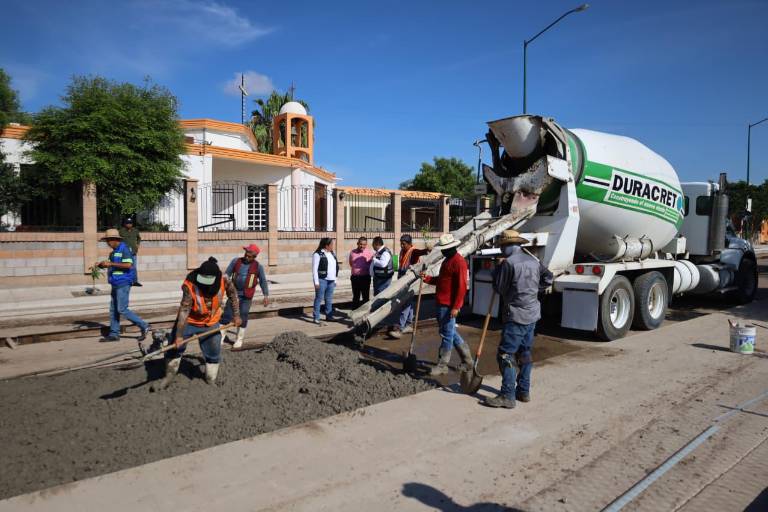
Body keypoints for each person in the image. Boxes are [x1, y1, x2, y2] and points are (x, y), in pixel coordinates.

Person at [484, 230, 553, 409]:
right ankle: (523, 391)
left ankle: (507, 395)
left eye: (502, 246)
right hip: (532, 314)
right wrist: (534, 290)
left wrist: (496, 270)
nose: (501, 250)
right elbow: (549, 278)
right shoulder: (533, 261)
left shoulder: (509, 264)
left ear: (509, 246)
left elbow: (499, 289)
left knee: (505, 354)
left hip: (516, 315)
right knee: (525, 353)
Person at [156, 257, 241, 388]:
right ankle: (169, 375)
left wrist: (236, 315)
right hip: (189, 321)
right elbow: (184, 310)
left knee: (214, 350)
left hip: (210, 322)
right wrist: (179, 335)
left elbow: (233, 296)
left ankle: (210, 378)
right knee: (174, 347)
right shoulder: (190, 285)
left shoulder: (224, 280)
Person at [420, 233, 473, 376]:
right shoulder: (447, 260)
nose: (442, 251)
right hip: (442, 302)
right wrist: (428, 279)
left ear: (451, 248)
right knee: (450, 333)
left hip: (448, 305)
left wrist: (456, 306)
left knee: (446, 334)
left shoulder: (459, 262)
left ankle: (442, 365)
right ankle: (467, 360)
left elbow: (462, 287)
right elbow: (442, 280)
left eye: (444, 249)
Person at [97, 229, 150, 343]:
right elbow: (113, 266)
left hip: (123, 283)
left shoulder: (124, 249)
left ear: (114, 239)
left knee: (121, 309)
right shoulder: (113, 252)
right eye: (106, 241)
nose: (107, 243)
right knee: (113, 310)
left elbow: (128, 265)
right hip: (115, 283)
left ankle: (144, 325)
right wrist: (102, 265)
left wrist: (110, 263)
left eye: (108, 240)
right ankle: (114, 334)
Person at [222, 244, 269, 349]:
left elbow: (263, 281)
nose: (247, 257)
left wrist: (265, 295)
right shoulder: (236, 261)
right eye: (246, 254)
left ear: (254, 257)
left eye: (249, 256)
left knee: (243, 315)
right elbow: (226, 274)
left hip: (246, 295)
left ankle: (239, 339)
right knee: (227, 314)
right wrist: (225, 284)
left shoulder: (258, 267)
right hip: (233, 293)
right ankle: (221, 337)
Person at [389, 234, 430, 338]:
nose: (402, 246)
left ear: (409, 243)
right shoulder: (403, 251)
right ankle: (408, 323)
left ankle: (401, 327)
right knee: (409, 303)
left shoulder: (413, 251)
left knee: (405, 303)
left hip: (410, 281)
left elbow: (420, 252)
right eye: (401, 243)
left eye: (404, 244)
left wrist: (427, 250)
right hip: (403, 280)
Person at [312, 238, 338, 325]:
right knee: (319, 298)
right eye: (331, 245)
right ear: (326, 245)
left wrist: (335, 280)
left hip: (331, 280)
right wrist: (316, 282)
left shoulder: (332, 254)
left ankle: (329, 316)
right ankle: (316, 317)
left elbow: (335, 268)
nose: (333, 246)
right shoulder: (317, 254)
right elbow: (314, 269)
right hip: (322, 280)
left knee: (329, 299)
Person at [348, 236, 373, 309]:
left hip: (365, 278)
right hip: (355, 278)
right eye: (361, 244)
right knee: (356, 297)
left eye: (364, 244)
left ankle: (365, 313)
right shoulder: (352, 252)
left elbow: (371, 264)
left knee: (365, 297)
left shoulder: (369, 253)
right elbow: (351, 263)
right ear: (357, 243)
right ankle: (355, 313)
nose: (362, 246)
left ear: (366, 245)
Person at [118, 215, 142, 287]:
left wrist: (137, 245)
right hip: (125, 253)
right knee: (125, 267)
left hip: (133, 252)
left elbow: (139, 238)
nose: (129, 224)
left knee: (133, 267)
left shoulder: (135, 231)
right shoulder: (121, 231)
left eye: (130, 223)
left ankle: (135, 281)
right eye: (127, 223)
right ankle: (126, 281)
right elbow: (118, 240)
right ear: (125, 224)